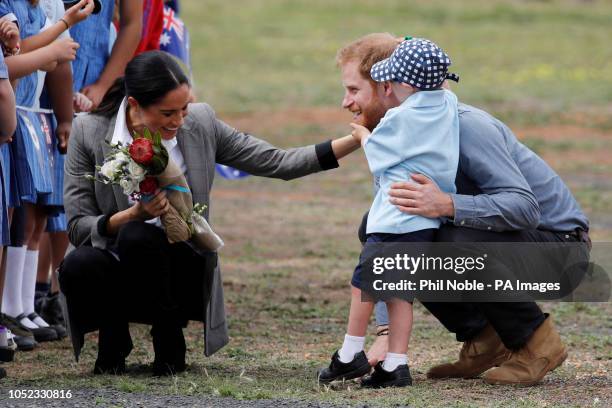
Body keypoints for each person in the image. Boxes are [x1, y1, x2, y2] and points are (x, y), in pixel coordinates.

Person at [59, 50, 360, 376]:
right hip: (117, 262)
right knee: (81, 261)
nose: (179, 121)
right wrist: (132, 214)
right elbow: (77, 226)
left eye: (184, 109)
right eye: (168, 113)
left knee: (140, 239)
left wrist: (358, 138)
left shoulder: (200, 123)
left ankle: (169, 337)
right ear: (134, 105)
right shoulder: (88, 131)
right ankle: (113, 338)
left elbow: (278, 161)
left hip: (181, 264)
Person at [337, 33, 590, 386]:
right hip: (509, 243)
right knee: (393, 230)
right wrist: (384, 331)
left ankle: (536, 343)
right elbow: (385, 236)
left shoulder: (465, 125)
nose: (345, 102)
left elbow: (525, 208)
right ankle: (486, 340)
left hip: (561, 251)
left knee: (446, 236)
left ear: (388, 87)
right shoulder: (401, 136)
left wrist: (447, 204)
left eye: (353, 90)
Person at [318, 38, 460, 388]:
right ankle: (396, 363)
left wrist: (364, 135)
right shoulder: (449, 103)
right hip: (423, 223)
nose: (387, 88)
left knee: (361, 287)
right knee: (399, 295)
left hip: (394, 221)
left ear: (406, 85)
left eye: (391, 82)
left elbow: (379, 159)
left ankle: (349, 355)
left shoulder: (400, 117)